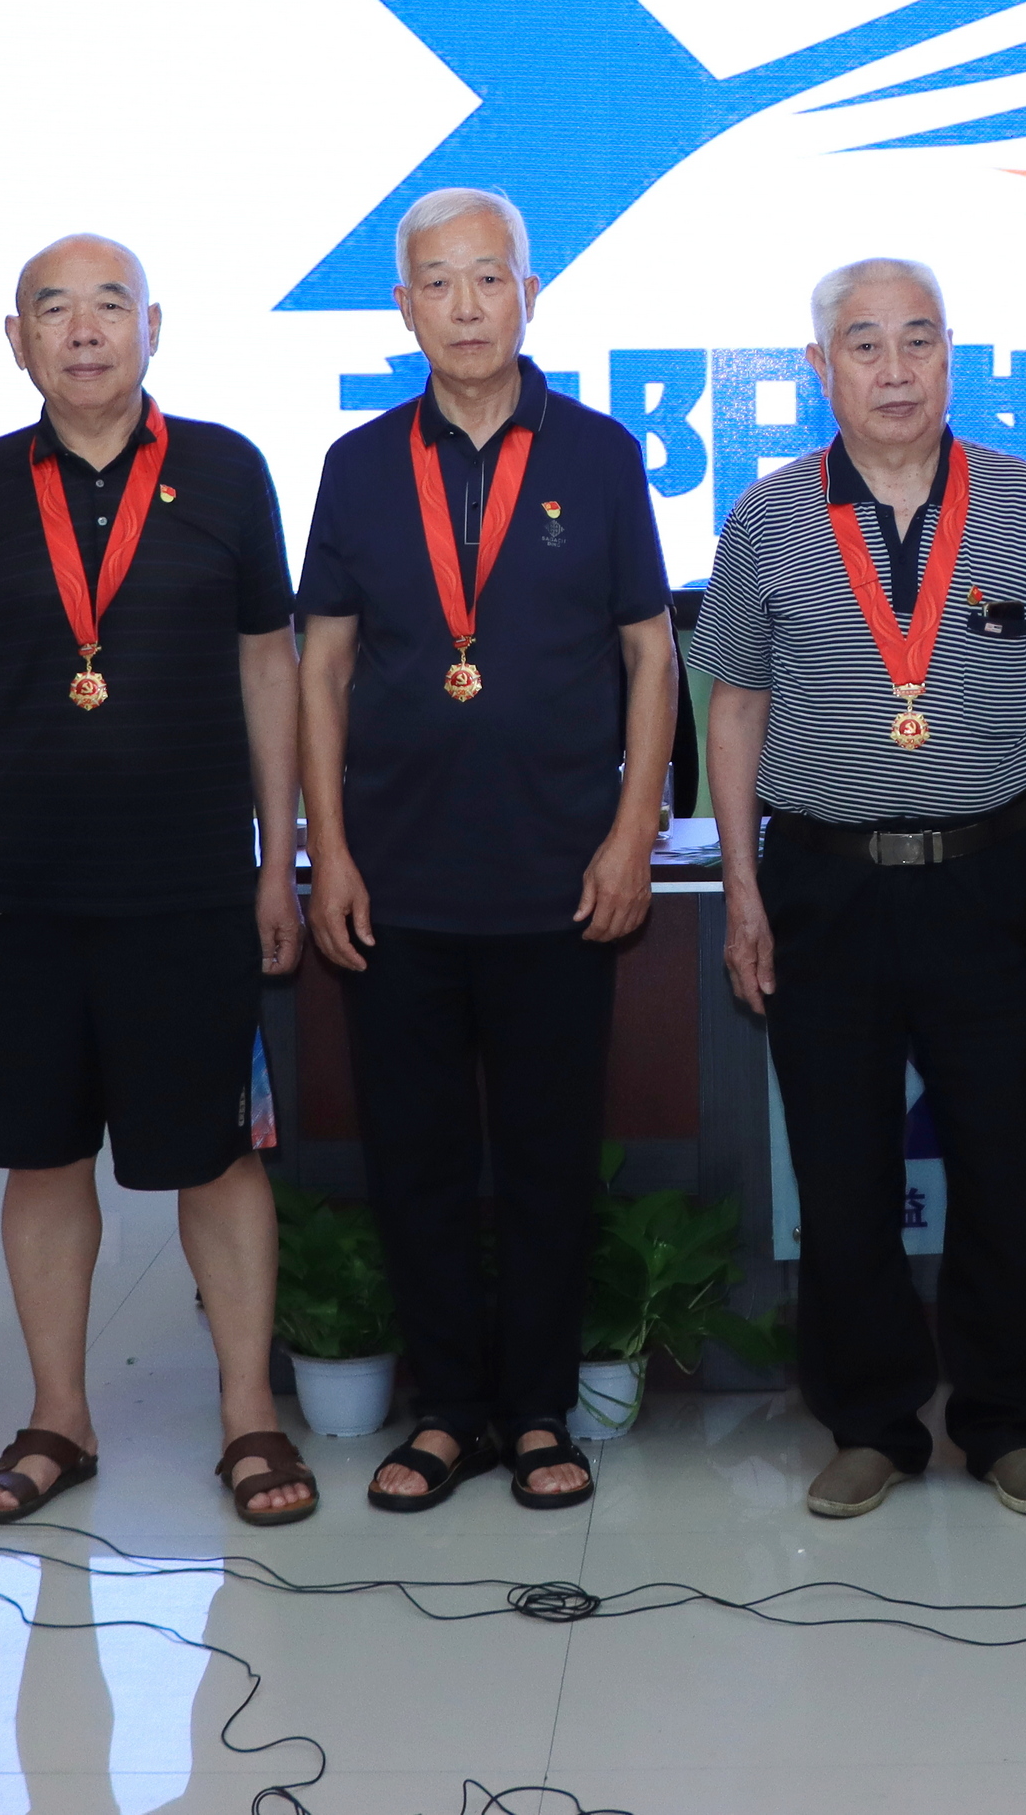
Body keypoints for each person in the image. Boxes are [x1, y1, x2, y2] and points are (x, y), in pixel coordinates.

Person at [687, 257, 1026, 1522]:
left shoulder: (1022, 501)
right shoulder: (767, 515)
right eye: (863, 346)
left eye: (918, 341)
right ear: (820, 368)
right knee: (842, 1168)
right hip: (826, 885)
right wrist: (742, 887)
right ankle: (869, 1424)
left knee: (1006, 1162)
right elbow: (735, 703)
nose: (894, 370)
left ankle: (1009, 1421)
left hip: (990, 878)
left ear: (950, 357)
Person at [0, 233, 317, 1528]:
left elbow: (269, 667)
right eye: (54, 309)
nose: (83, 330)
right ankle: (59, 1418)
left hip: (188, 886)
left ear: (154, 326)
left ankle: (248, 1412)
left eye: (109, 305)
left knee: (216, 1156)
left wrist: (276, 859)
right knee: (39, 1159)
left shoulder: (227, 468)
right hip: (14, 893)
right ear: (15, 340)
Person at [298, 187, 678, 1516]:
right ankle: (448, 1411)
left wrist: (633, 833)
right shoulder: (357, 463)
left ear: (530, 291)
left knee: (546, 1157)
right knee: (415, 1161)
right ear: (403, 305)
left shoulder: (600, 453)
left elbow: (650, 654)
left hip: (558, 877)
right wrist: (327, 850)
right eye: (438, 282)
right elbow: (322, 666)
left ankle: (536, 1409)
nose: (466, 305)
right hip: (395, 877)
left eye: (488, 277)